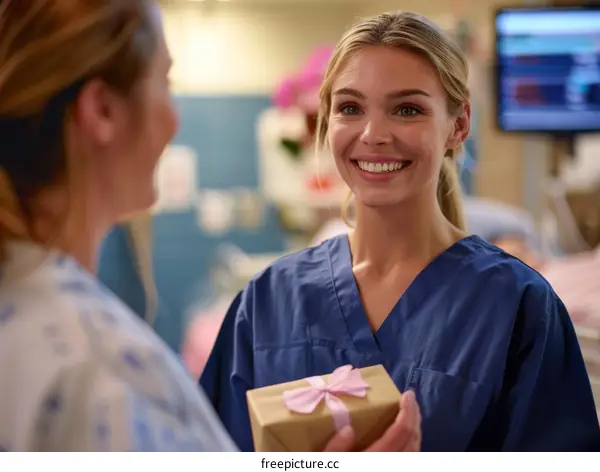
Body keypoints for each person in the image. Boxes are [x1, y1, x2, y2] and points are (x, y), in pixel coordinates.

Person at [0, 0, 417, 452]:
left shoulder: (27, 309)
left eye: (408, 110)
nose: (174, 119)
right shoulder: (95, 364)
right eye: (166, 83)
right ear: (102, 111)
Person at [200, 11, 600, 452]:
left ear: (459, 124)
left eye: (407, 109)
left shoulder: (517, 306)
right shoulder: (269, 302)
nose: (373, 134)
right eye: (350, 108)